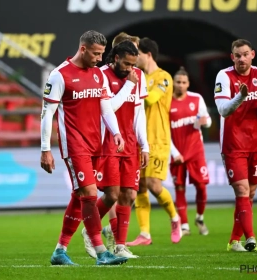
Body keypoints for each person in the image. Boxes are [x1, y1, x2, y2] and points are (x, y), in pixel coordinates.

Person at [40, 30, 129, 266]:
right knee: (89, 194)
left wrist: (116, 132)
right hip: (74, 144)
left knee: (79, 195)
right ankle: (101, 253)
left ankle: (60, 251)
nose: (100, 59)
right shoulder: (60, 75)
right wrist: (45, 149)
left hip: (95, 144)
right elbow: (47, 113)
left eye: (102, 54)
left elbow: (106, 108)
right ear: (83, 49)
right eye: (96, 54)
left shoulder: (98, 75)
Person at [81, 39, 149, 259]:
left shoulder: (138, 76)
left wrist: (144, 144)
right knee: (112, 194)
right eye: (127, 64)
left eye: (133, 64)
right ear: (116, 58)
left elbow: (139, 113)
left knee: (129, 194)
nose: (131, 69)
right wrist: (129, 84)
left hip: (130, 142)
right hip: (108, 141)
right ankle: (89, 230)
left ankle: (120, 246)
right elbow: (108, 108)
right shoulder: (100, 75)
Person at [214, 39, 257, 252]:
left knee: (249, 194)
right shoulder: (224, 76)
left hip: (255, 142)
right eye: (237, 55)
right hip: (233, 143)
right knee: (241, 190)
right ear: (232, 57)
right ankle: (250, 237)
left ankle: (234, 241)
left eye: (245, 54)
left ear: (252, 54)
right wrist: (240, 97)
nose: (241, 59)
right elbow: (223, 110)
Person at [127, 37, 182, 246]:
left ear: (147, 54)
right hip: (139, 141)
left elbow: (149, 99)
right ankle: (144, 234)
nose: (134, 58)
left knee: (154, 185)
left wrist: (131, 87)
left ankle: (175, 218)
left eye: (137, 54)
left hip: (159, 140)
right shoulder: (139, 76)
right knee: (140, 186)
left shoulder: (164, 77)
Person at [170, 66, 212, 236]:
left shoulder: (196, 99)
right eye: (178, 82)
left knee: (201, 186)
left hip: (195, 150)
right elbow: (165, 132)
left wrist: (203, 121)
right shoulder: (166, 102)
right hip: (177, 153)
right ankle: (185, 225)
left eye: (184, 82)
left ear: (188, 84)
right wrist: (174, 153)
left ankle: (200, 218)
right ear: (173, 83)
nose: (180, 85)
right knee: (179, 188)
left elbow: (208, 121)